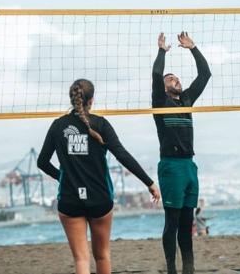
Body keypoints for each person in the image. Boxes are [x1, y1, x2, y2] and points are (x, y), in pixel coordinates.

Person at [37, 79, 161, 274]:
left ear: (73, 98)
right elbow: (122, 155)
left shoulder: (58, 125)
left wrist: (63, 177)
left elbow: (42, 162)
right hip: (99, 197)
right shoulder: (101, 124)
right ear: (92, 100)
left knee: (81, 259)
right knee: (102, 255)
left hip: (70, 199)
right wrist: (149, 182)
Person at [152, 31, 211, 274]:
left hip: (189, 166)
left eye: (177, 78)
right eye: (171, 79)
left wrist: (193, 48)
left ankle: (189, 270)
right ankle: (171, 270)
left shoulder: (186, 99)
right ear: (164, 88)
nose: (175, 80)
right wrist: (162, 52)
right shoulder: (160, 102)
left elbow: (205, 74)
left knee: (187, 223)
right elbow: (156, 74)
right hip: (171, 166)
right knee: (172, 222)